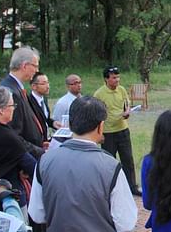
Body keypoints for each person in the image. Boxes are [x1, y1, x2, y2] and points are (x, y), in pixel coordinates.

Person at [28, 96, 137, 231]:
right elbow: (125, 223)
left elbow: (37, 214)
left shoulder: (45, 161)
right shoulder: (111, 166)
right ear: (100, 126)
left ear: (70, 123)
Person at [0, 87, 36, 220]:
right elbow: (33, 168)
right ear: (1, 110)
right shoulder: (7, 137)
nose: (14, 108)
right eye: (12, 105)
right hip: (8, 201)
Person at [94, 66, 140, 196]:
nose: (117, 80)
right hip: (108, 132)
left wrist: (127, 112)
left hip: (123, 129)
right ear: (106, 79)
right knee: (109, 161)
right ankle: (110, 189)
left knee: (128, 160)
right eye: (114, 78)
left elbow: (127, 103)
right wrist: (100, 133)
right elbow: (96, 114)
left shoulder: (121, 89)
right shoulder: (99, 94)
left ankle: (132, 187)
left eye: (118, 77)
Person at [0, 47, 45, 159]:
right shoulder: (11, 92)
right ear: (24, 66)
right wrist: (38, 152)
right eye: (35, 66)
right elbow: (13, 136)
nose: (36, 70)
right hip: (24, 158)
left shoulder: (16, 88)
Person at [28, 72, 61, 141]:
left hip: (47, 139)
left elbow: (45, 118)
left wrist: (53, 123)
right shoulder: (28, 103)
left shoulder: (44, 99)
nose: (48, 86)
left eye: (48, 83)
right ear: (34, 86)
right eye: (43, 83)